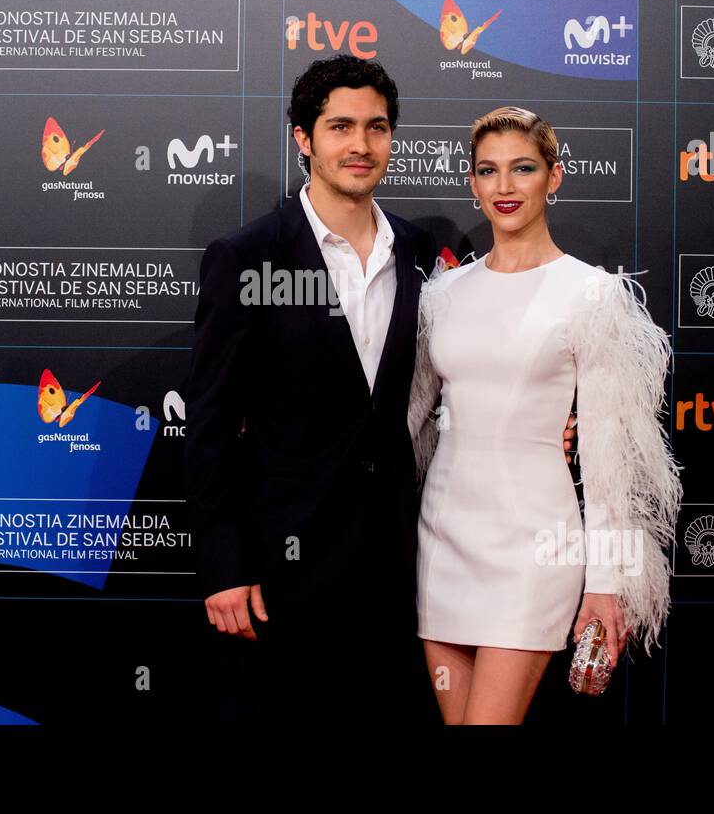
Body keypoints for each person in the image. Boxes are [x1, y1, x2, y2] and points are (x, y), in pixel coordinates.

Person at [184, 60, 575, 723]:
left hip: (404, 567)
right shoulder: (248, 257)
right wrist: (223, 564)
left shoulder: (427, 254)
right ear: (303, 138)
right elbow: (211, 423)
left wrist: (537, 422)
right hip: (285, 570)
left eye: (376, 127)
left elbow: (455, 378)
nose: (360, 143)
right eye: (340, 126)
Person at [407, 106, 682, 725]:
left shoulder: (592, 295)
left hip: (535, 547)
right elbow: (410, 421)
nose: (504, 187)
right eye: (488, 171)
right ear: (472, 183)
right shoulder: (443, 295)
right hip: (443, 541)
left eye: (523, 168)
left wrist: (607, 582)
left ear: (554, 176)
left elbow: (615, 456)